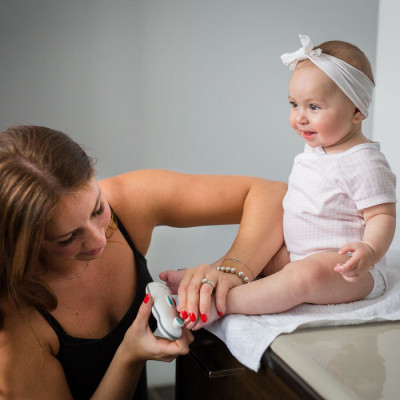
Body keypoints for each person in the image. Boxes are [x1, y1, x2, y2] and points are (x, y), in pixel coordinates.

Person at [0, 124, 286, 399]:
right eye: (68, 238)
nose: (99, 240)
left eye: (98, 209)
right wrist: (129, 356)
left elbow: (272, 194)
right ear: (23, 243)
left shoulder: (125, 201)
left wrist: (231, 270)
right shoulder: (14, 324)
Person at [162, 34, 396, 330]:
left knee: (303, 277)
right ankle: (211, 279)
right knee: (264, 255)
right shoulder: (317, 149)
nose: (300, 117)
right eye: (294, 104)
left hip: (349, 270)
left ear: (357, 111)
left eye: (314, 107)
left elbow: (382, 215)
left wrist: (370, 251)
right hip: (299, 253)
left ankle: (223, 303)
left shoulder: (363, 161)